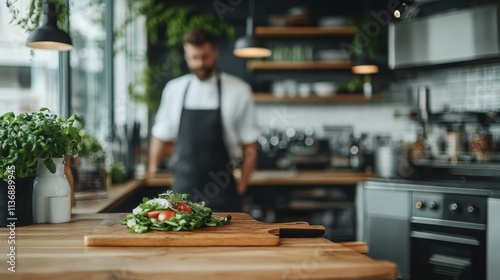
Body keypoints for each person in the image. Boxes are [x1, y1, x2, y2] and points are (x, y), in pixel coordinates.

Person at [148, 27, 258, 212]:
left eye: (205, 57)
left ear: (214, 52)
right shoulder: (174, 89)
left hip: (224, 193)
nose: (200, 63)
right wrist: (151, 170)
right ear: (186, 55)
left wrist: (242, 185)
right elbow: (161, 135)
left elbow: (250, 144)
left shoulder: (239, 90)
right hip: (182, 195)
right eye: (194, 58)